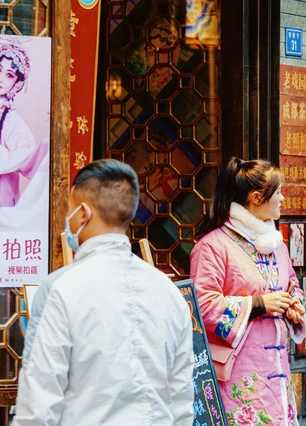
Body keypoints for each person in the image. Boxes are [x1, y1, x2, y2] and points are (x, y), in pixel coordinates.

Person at [13, 159, 195, 426]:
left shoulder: (62, 289)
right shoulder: (169, 293)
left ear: (83, 214)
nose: (67, 218)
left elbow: (39, 404)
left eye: (69, 209)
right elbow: (182, 402)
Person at [190, 158, 306, 426]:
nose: (282, 199)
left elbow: (292, 285)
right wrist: (259, 304)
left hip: (278, 371)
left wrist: (294, 305)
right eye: (278, 193)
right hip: (238, 375)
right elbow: (202, 307)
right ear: (256, 198)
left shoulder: (276, 245)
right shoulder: (212, 247)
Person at [0, 41, 43, 207]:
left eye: (9, 75)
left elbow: (29, 154)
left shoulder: (10, 119)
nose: (1, 79)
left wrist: (5, 159)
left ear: (16, 84)